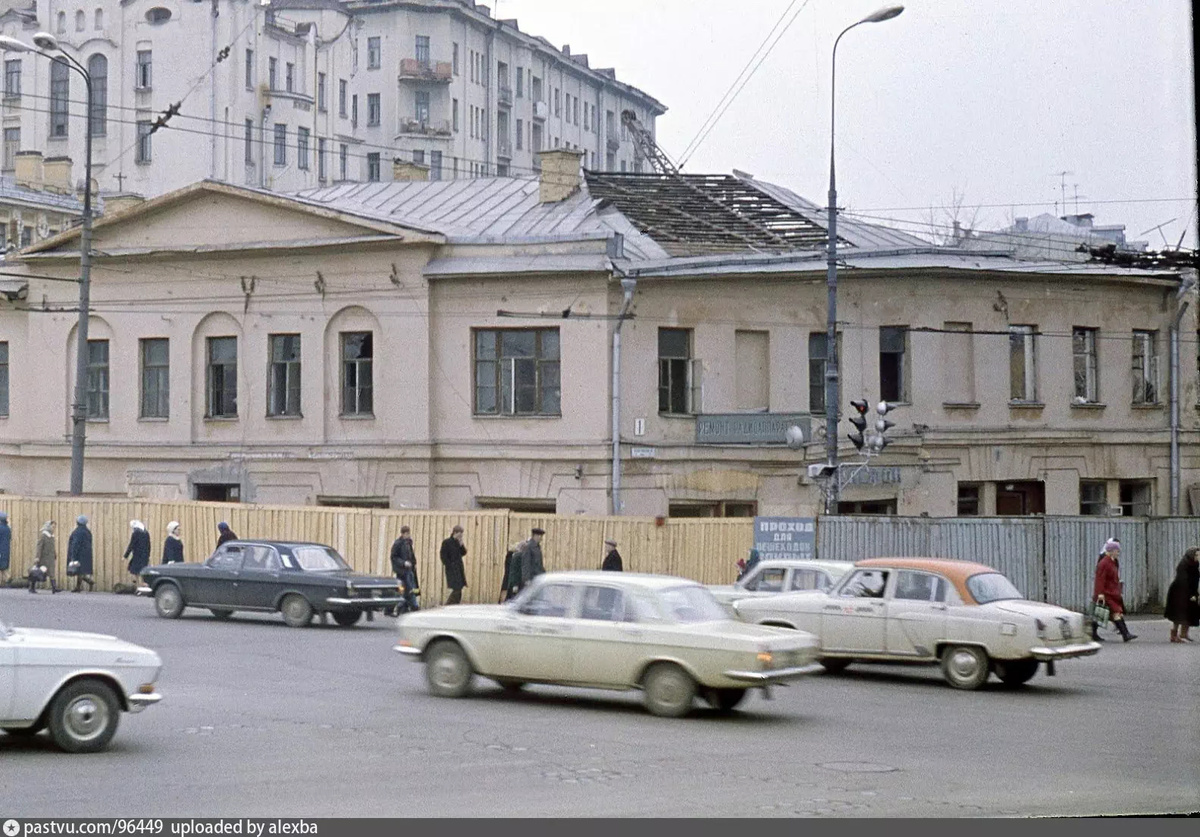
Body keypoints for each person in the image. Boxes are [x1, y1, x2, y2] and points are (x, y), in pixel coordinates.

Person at [1093, 538, 1136, 642]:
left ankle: (1092, 633)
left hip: (1112, 592)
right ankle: (1125, 634)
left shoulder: (1112, 562)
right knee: (1115, 612)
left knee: (1103, 614)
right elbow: (1100, 579)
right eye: (1117, 551)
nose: (1118, 553)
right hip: (1107, 594)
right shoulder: (1104, 563)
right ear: (1111, 551)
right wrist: (1100, 593)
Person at [1164, 547, 1199, 643]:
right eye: (1196, 555)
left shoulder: (1195, 564)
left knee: (1190, 612)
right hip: (1179, 592)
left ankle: (1184, 633)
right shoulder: (1183, 565)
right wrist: (1189, 594)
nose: (1198, 557)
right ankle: (1174, 635)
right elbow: (1183, 580)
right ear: (1191, 555)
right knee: (1178, 614)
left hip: (1190, 591)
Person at [389, 525, 420, 615]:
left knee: (412, 588)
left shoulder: (408, 543)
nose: (408, 535)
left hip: (409, 570)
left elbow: (411, 555)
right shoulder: (398, 544)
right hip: (402, 571)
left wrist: (413, 563)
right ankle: (411, 606)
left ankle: (407, 606)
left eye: (409, 533)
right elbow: (393, 557)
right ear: (403, 534)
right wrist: (403, 563)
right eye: (407, 533)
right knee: (405, 589)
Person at [439, 524, 467, 605]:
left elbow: (463, 553)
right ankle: (449, 604)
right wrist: (449, 564)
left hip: (459, 568)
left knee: (460, 587)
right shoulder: (447, 542)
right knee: (456, 588)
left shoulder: (458, 543)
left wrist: (461, 545)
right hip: (451, 569)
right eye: (459, 534)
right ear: (455, 533)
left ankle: (455, 603)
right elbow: (443, 555)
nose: (461, 536)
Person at [66, 515, 95, 592]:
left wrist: (73, 555)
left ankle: (81, 586)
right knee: (81, 571)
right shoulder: (88, 532)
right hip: (86, 554)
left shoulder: (77, 532)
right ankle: (82, 585)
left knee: (78, 570)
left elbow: (75, 544)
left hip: (79, 554)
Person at [30, 520, 59, 594]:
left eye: (54, 527)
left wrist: (54, 553)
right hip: (43, 558)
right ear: (48, 526)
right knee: (38, 572)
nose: (54, 528)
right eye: (52, 527)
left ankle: (54, 588)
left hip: (50, 557)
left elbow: (52, 546)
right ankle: (32, 587)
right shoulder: (43, 536)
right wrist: (37, 557)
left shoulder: (52, 536)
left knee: (52, 572)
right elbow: (39, 547)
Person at [515, 527, 546, 593]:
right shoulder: (528, 547)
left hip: (537, 577)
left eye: (541, 536)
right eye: (539, 535)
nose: (541, 538)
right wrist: (527, 579)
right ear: (534, 536)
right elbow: (525, 564)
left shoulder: (537, 547)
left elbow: (539, 564)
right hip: (532, 578)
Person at [0, 511, 11, 586]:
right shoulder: (8, 529)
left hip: (0, 550)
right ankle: (7, 580)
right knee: (4, 567)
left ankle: (7, 579)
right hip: (6, 550)